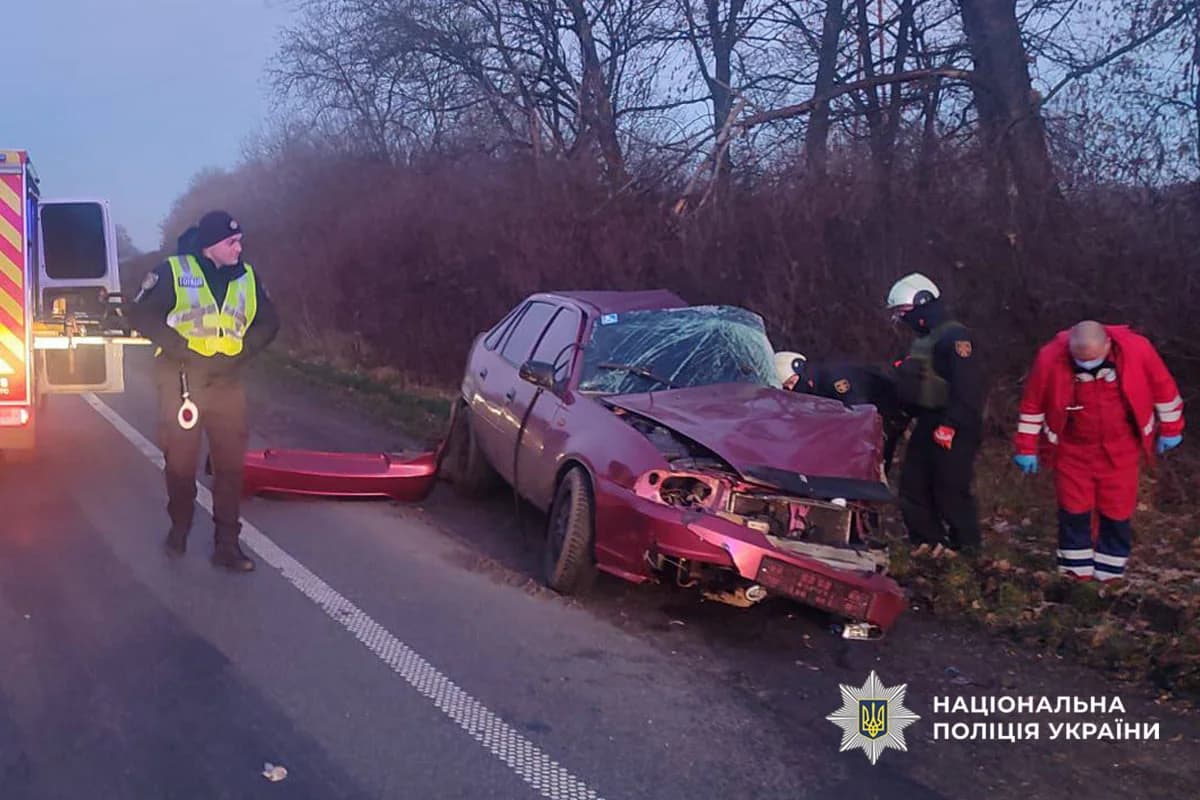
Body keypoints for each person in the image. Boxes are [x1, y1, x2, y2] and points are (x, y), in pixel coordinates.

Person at [130, 211, 280, 571]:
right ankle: (179, 526)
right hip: (183, 381)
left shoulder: (247, 276)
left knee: (230, 468)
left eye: (240, 241)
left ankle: (227, 545)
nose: (239, 248)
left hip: (228, 383)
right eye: (232, 243)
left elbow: (269, 322)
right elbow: (139, 315)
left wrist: (244, 351)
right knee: (180, 465)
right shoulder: (174, 271)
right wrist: (183, 348)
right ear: (211, 246)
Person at [1012, 321, 1184, 581]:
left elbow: (1163, 387)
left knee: (1117, 512)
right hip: (1072, 449)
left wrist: (1171, 428)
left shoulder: (1137, 351)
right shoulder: (1050, 358)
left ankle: (1110, 577)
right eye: (1081, 362)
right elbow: (1033, 404)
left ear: (1107, 345)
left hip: (1122, 448)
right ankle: (1075, 576)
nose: (1087, 367)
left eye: (1093, 361)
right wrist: (1026, 447)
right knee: (1074, 512)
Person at [886, 273, 985, 556]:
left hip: (955, 421)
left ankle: (966, 546)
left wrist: (951, 425)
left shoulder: (955, 337)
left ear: (922, 303)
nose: (901, 318)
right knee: (912, 485)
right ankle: (927, 540)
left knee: (951, 486)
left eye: (904, 311)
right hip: (929, 420)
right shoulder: (923, 340)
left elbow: (967, 387)